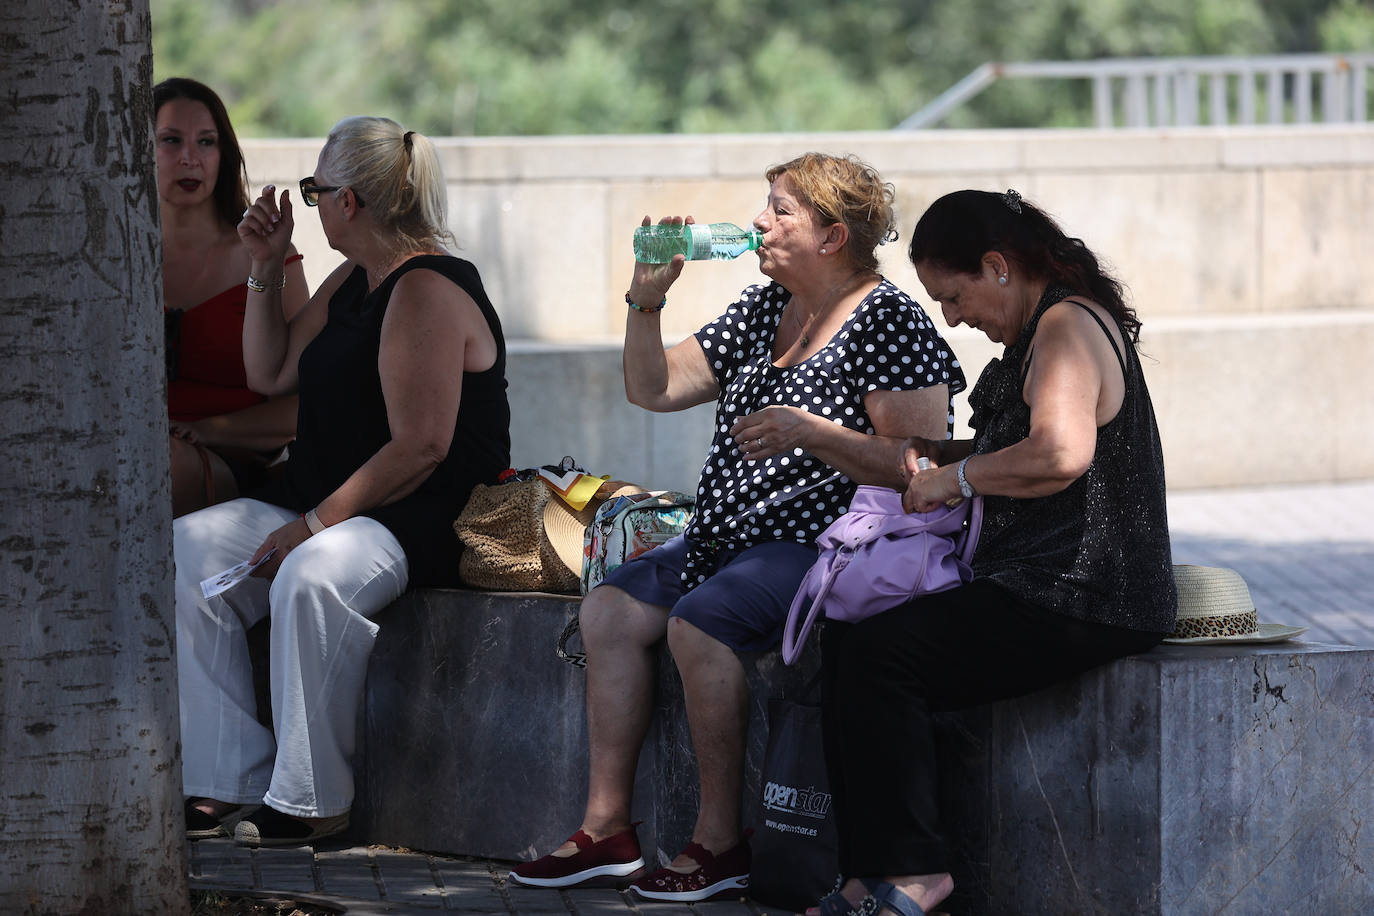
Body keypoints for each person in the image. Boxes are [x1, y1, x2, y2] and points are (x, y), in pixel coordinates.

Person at [510, 153, 965, 901]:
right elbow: (652, 388)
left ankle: (719, 843)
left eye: (782, 210)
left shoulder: (889, 320)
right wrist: (644, 303)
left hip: (820, 544)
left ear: (832, 236)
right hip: (724, 536)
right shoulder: (765, 307)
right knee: (610, 610)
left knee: (700, 624)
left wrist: (810, 431)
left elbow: (918, 469)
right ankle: (606, 829)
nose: (759, 221)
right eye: (767, 205)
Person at [817, 189, 1176, 916]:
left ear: (996, 265)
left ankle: (916, 872)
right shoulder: (1044, 330)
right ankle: (865, 873)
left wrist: (958, 477)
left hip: (1088, 592)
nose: (953, 319)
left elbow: (1061, 453)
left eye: (954, 297)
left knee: (885, 657)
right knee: (848, 642)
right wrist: (936, 454)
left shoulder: (1069, 326)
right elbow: (1018, 447)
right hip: (1042, 583)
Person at [175, 116, 511, 847]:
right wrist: (263, 263)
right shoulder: (356, 279)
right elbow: (269, 373)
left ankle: (309, 798)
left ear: (348, 202)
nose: (312, 203)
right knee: (187, 550)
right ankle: (223, 776)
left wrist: (313, 527)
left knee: (314, 573)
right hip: (323, 496)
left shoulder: (426, 288)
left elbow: (421, 447)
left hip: (418, 513)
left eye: (314, 191)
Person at [154, 77, 309, 517]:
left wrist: (207, 430)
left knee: (158, 464)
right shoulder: (108, 256)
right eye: (170, 140)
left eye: (207, 142)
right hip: (120, 449)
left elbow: (310, 402)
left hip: (232, 464)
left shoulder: (269, 255)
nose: (190, 158)